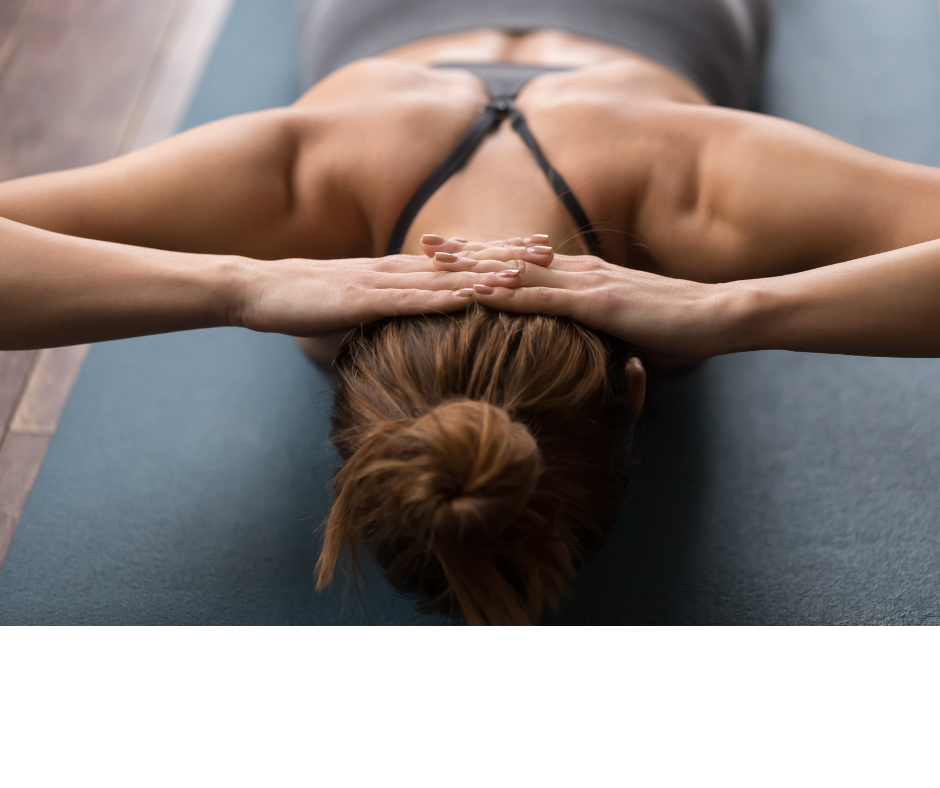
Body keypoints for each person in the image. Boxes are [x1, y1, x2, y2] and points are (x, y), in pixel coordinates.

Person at [3, 0, 940, 623]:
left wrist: (741, 304)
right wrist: (239, 286)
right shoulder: (306, 183)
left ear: (638, 385)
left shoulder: (692, 193)